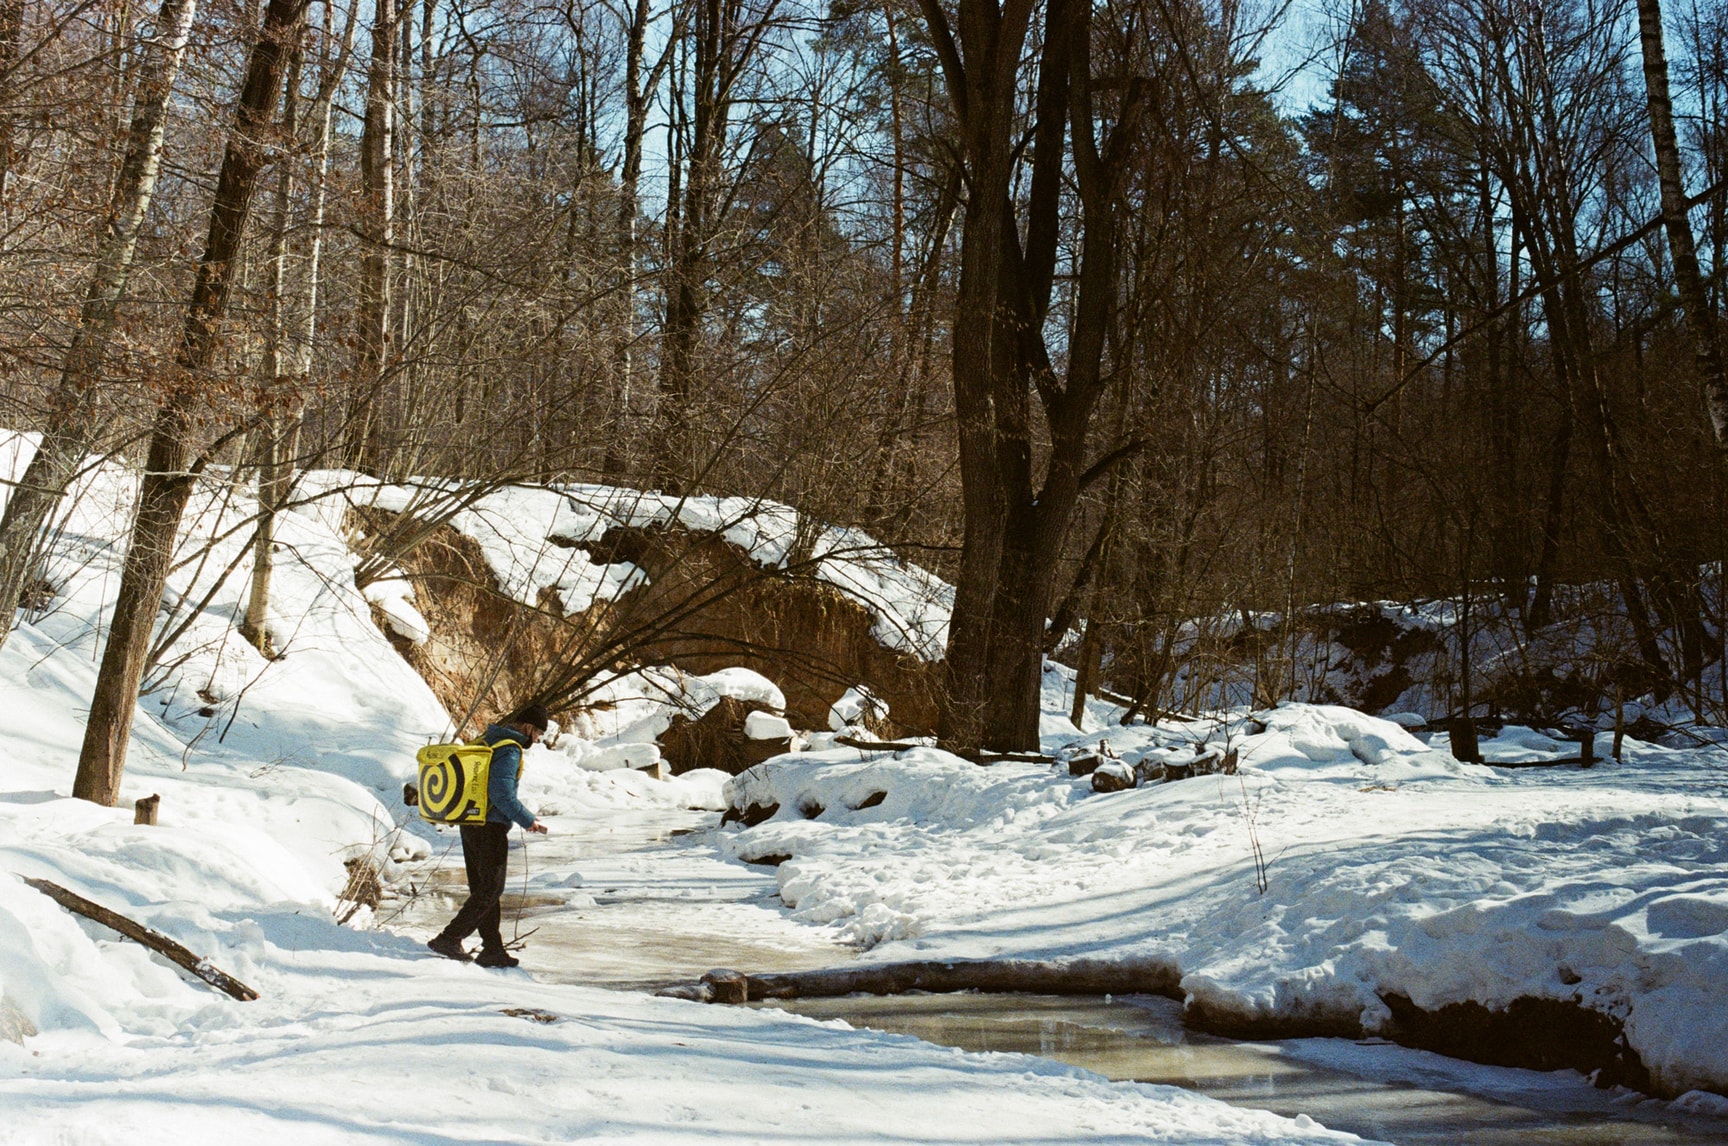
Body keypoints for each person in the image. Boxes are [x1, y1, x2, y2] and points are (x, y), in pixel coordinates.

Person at [427, 704, 550, 967]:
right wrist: (529, 820)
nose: (538, 739)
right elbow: (501, 794)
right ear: (528, 727)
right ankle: (450, 937)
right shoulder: (509, 749)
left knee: (483, 887)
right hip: (490, 826)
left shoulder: (487, 739)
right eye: (538, 732)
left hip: (469, 820)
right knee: (491, 887)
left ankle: (492, 949)